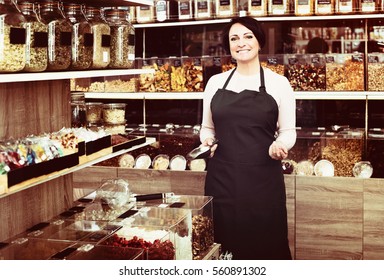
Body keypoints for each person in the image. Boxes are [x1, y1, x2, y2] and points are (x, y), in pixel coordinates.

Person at [199, 16, 296, 260]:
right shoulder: (215, 82)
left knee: (264, 244)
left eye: (247, 36)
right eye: (234, 38)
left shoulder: (279, 83)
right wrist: (207, 140)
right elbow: (206, 127)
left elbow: (288, 131)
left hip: (263, 182)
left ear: (259, 42)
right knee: (223, 244)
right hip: (222, 179)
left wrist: (280, 145)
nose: (241, 43)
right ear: (228, 46)